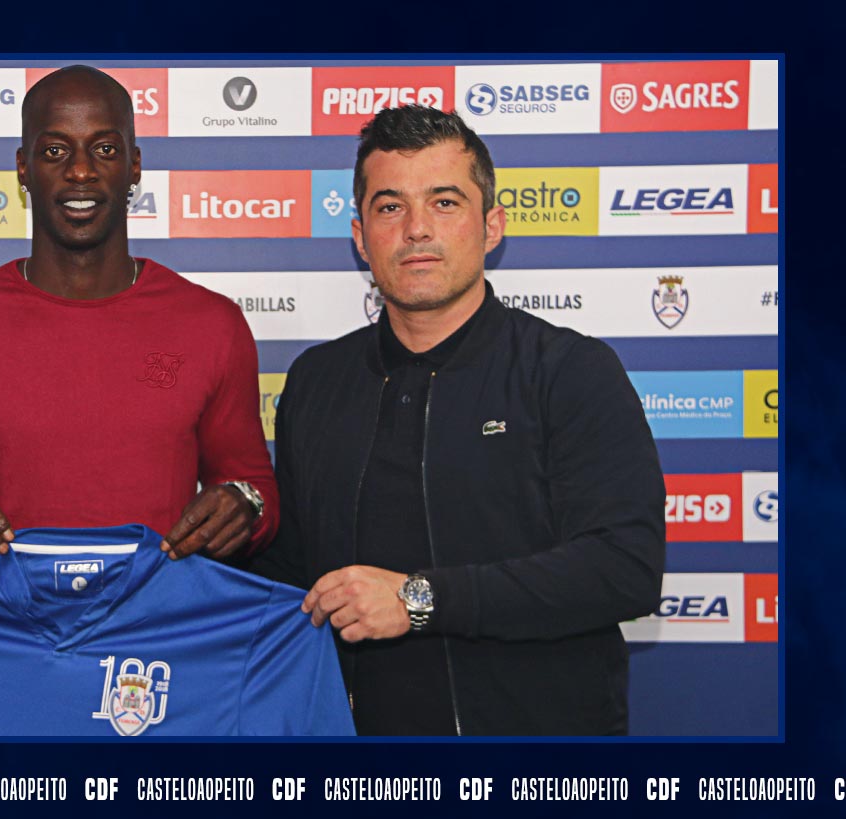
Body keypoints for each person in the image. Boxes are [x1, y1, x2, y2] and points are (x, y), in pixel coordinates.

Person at [256, 106, 665, 736]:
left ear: (491, 225)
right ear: (361, 236)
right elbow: (291, 575)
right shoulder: (316, 381)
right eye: (390, 207)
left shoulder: (569, 369)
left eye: (444, 203)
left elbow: (624, 569)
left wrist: (419, 599)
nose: (417, 229)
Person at [0, 66, 278, 560]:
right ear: (23, 168)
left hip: (157, 607)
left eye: (105, 149)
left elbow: (255, 489)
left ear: (134, 166)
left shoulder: (213, 325)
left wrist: (245, 505)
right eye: (55, 151)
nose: (81, 171)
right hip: (6, 609)